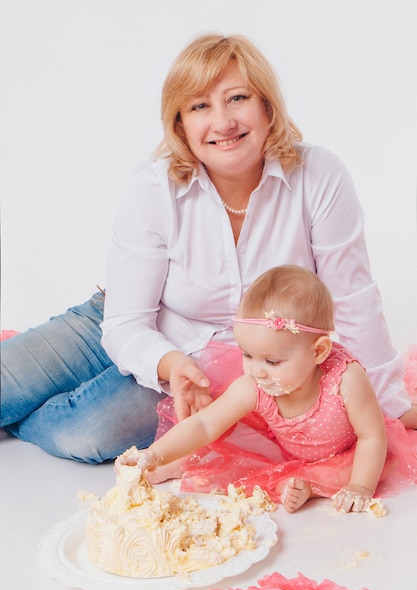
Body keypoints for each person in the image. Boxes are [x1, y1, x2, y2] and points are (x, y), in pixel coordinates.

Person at [1, 34, 416, 463]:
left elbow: (353, 301)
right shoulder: (153, 186)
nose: (222, 122)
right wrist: (165, 359)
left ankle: (21, 416)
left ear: (267, 107)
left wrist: (387, 406)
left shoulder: (320, 175)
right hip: (121, 320)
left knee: (87, 433)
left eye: (237, 98)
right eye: (200, 106)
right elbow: (125, 321)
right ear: (180, 123)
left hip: (206, 371)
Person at [117, 265, 417, 513]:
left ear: (319, 352)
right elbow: (205, 425)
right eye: (247, 354)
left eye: (272, 361)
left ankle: (307, 485)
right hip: (285, 446)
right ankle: (175, 463)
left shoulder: (346, 379)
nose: (256, 370)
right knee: (222, 429)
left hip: (345, 448)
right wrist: (155, 453)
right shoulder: (255, 385)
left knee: (377, 432)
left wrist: (360, 486)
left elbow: (370, 435)